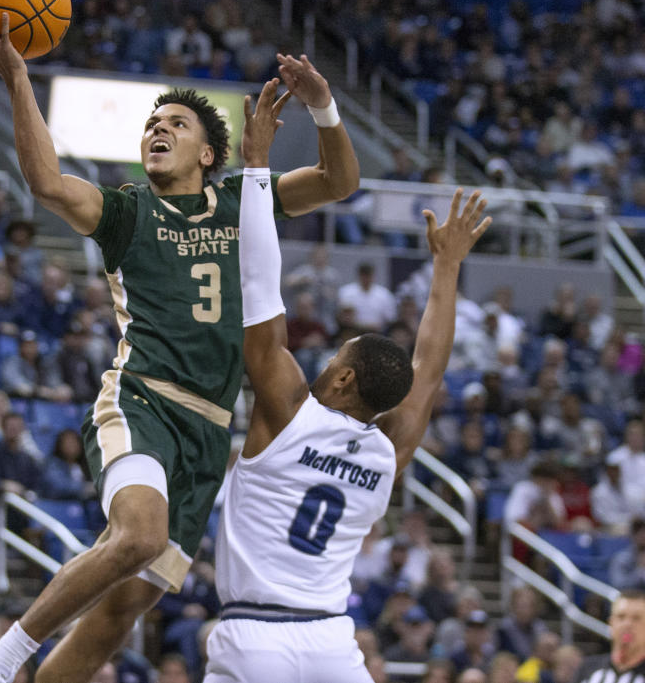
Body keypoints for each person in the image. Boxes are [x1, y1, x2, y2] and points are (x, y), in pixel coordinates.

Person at [0, 6, 358, 683]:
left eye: (175, 123)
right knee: (137, 534)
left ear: (207, 153)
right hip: (141, 398)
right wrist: (18, 79)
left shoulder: (240, 203)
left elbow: (340, 182)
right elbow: (48, 183)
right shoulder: (126, 211)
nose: (157, 130)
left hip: (208, 434)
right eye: (151, 123)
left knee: (121, 611)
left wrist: (323, 106)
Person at [201, 103, 488, 683]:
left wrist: (258, 170)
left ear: (344, 378)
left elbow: (260, 288)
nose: (328, 358)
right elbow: (428, 366)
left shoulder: (285, 413)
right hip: (333, 644)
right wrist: (447, 268)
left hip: (257, 635)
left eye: (337, 355)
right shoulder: (390, 450)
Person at [575, 589, 645, 681]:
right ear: (611, 623)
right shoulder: (588, 668)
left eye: (636, 618)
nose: (627, 624)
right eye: (621, 617)